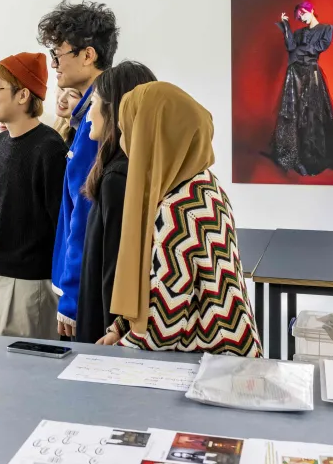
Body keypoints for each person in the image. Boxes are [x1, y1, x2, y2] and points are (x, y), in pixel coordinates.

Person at [97, 81, 262, 357]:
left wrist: (114, 352)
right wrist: (121, 325)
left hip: (208, 364)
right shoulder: (203, 184)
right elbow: (156, 283)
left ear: (152, 138)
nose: (125, 144)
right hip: (233, 348)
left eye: (130, 133)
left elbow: (163, 327)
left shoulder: (177, 211)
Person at [0, 52, 68, 339]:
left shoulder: (48, 148)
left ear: (23, 95)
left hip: (26, 283)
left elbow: (61, 225)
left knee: (22, 376)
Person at [38, 0, 119, 337]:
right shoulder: (88, 113)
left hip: (86, 286)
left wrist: (70, 298)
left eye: (59, 55)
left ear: (88, 55)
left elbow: (84, 213)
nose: (54, 64)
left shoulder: (95, 122)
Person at [75, 61, 157, 344]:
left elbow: (116, 270)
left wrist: (115, 333)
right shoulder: (130, 170)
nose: (89, 115)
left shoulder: (118, 178)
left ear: (115, 110)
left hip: (106, 331)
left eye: (94, 102)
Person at [267, 1, 333, 176]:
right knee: (293, 111)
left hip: (311, 72)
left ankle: (311, 158)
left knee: (312, 112)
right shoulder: (298, 32)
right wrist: (286, 25)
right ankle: (294, 155)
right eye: (298, 17)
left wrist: (300, 51)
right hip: (294, 73)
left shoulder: (326, 29)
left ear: (311, 11)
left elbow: (321, 46)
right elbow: (290, 47)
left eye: (303, 14)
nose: (301, 19)